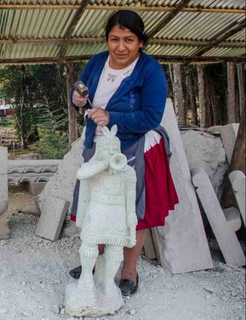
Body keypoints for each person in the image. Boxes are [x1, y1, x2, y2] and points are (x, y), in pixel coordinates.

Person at [69, 10, 179, 296]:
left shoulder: (150, 70)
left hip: (135, 147)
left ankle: (129, 271)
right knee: (95, 203)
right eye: (114, 39)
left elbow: (151, 117)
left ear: (141, 41)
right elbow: (78, 95)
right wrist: (77, 98)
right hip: (97, 144)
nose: (120, 47)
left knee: (131, 209)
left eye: (128, 40)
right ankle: (94, 261)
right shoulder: (96, 63)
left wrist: (112, 116)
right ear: (106, 39)